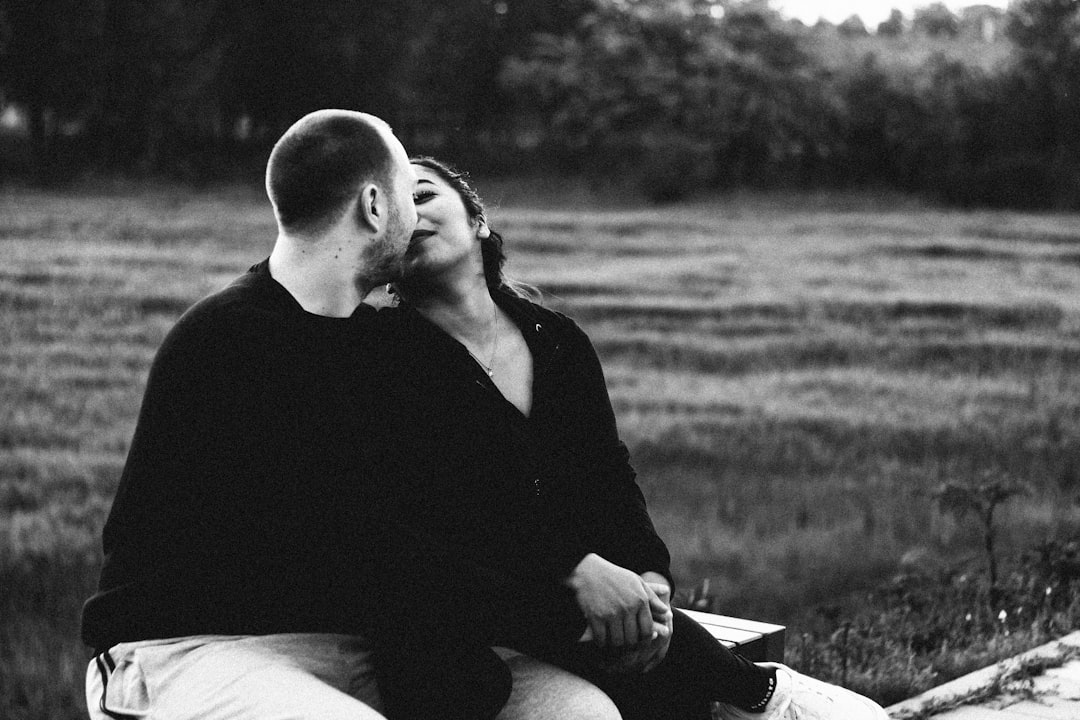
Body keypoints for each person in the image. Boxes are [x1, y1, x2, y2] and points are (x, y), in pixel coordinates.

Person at [80, 111, 619, 720]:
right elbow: (370, 542)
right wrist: (566, 601)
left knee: (578, 712)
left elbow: (489, 490)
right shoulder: (228, 341)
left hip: (354, 647)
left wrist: (598, 569)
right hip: (186, 649)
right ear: (373, 206)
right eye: (405, 198)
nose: (415, 220)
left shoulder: (384, 348)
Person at [370, 155, 892, 720]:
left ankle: (754, 692)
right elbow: (439, 514)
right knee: (630, 654)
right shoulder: (383, 356)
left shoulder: (556, 340)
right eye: (393, 209)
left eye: (423, 196)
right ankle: (759, 693)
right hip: (466, 612)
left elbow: (608, 474)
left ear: (478, 221)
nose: (411, 214)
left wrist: (650, 575)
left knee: (658, 673)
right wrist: (574, 566)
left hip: (574, 602)